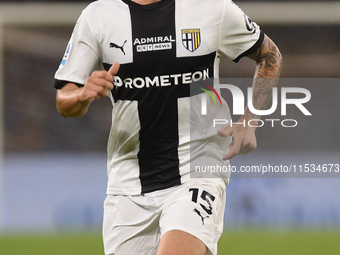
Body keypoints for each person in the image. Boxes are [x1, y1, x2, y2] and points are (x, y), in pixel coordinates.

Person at [54, 0, 282, 254]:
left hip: (197, 170)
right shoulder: (97, 16)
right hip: (128, 183)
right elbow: (65, 99)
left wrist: (250, 120)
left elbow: (269, 54)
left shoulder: (212, 8)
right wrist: (82, 94)